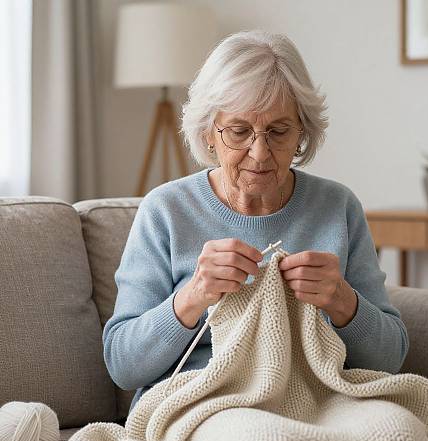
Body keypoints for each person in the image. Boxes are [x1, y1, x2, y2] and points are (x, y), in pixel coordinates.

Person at [103, 30, 409, 415]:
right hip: (204, 404)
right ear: (208, 133)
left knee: (399, 434)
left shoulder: (337, 207)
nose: (260, 152)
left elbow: (391, 359)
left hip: (317, 402)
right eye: (239, 131)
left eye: (279, 131)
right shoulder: (165, 210)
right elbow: (123, 365)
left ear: (302, 132)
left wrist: (342, 300)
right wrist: (193, 296)